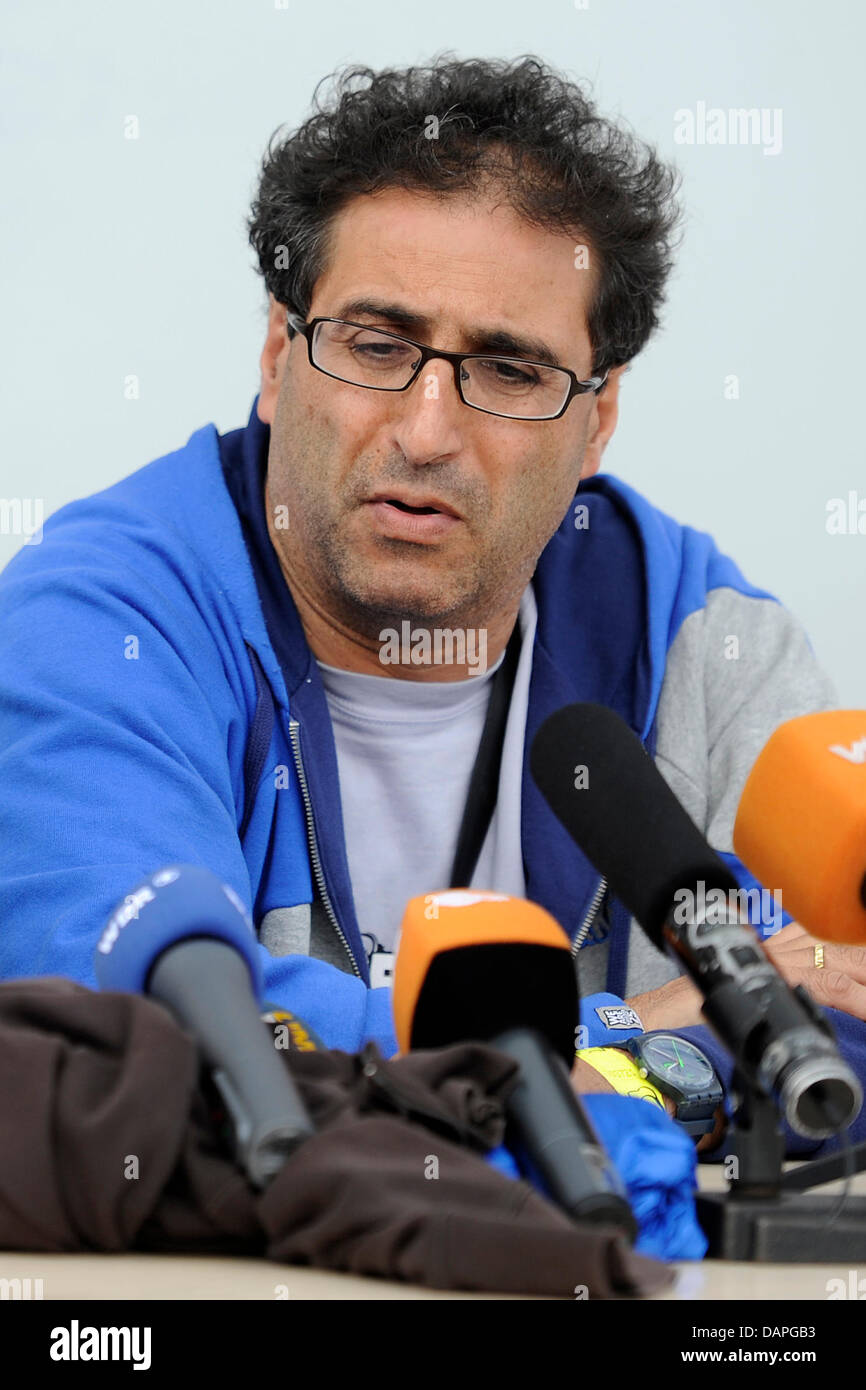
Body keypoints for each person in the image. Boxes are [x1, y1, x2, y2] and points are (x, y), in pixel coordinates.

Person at [0, 56, 860, 1158]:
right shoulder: (96, 627)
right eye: (376, 345)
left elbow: (840, 1022)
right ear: (277, 356)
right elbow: (135, 1034)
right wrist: (621, 1053)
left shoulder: (705, 638)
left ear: (595, 426)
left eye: (507, 370)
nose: (425, 430)